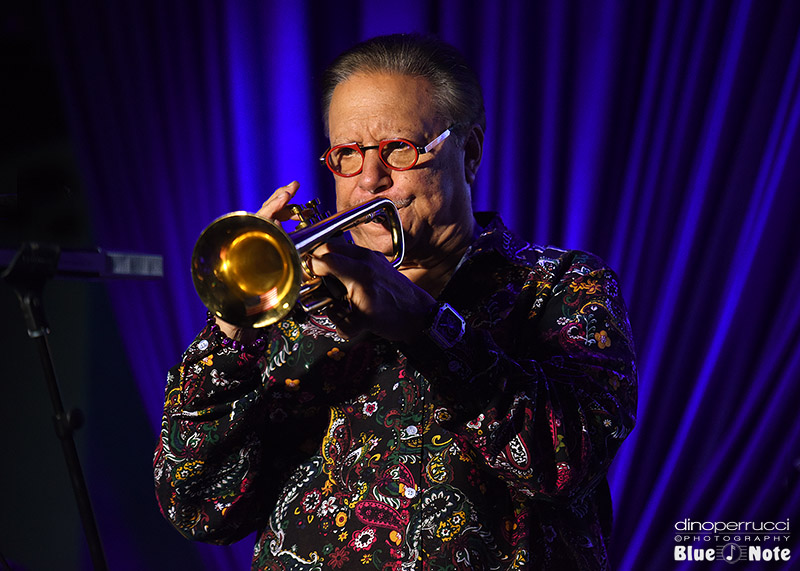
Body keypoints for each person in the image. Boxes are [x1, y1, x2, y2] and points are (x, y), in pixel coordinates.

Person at [154, 33, 637, 570]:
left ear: (469, 151)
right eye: (347, 155)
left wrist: (423, 326)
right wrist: (233, 334)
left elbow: (565, 463)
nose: (370, 179)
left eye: (399, 149)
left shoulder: (564, 285)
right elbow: (200, 509)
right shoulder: (291, 309)